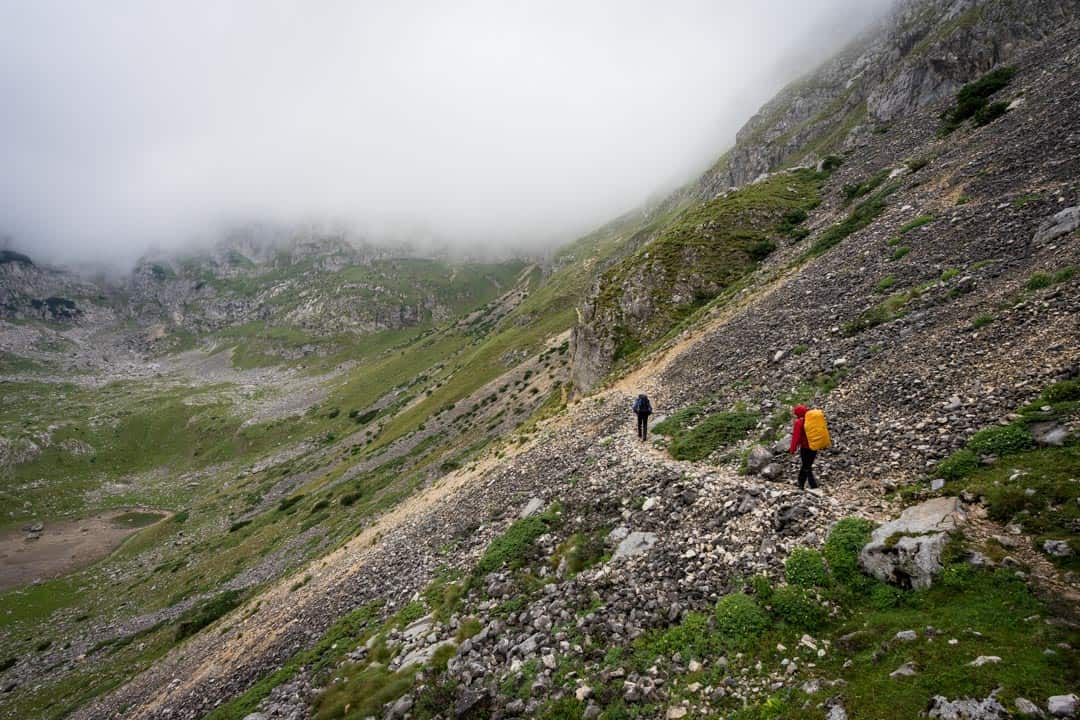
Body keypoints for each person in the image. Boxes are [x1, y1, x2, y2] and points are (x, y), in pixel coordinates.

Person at [788, 404, 819, 490]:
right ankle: (801, 483)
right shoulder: (812, 420)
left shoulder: (799, 422)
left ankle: (812, 485)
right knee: (807, 465)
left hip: (805, 447)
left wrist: (792, 449)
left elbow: (796, 437)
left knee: (806, 466)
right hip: (814, 445)